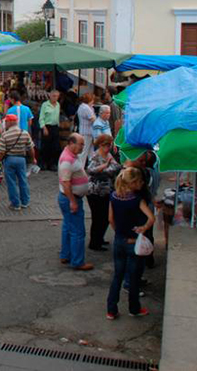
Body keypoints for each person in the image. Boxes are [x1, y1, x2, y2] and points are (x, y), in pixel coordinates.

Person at [106, 167, 155, 320]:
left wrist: (118, 232)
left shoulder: (114, 197)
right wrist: (144, 228)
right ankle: (134, 308)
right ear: (133, 183)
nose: (141, 184)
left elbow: (110, 219)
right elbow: (151, 218)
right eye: (140, 181)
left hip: (119, 241)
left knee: (117, 276)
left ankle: (111, 310)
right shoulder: (136, 200)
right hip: (134, 243)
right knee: (134, 278)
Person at [58, 134, 94, 270]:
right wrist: (72, 202)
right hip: (70, 198)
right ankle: (78, 261)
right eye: (81, 144)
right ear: (71, 143)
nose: (83, 147)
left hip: (69, 197)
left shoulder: (72, 155)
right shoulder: (67, 160)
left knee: (68, 226)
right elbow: (66, 183)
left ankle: (65, 254)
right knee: (78, 232)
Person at [86, 134, 121, 251]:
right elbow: (90, 170)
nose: (109, 147)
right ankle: (94, 243)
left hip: (106, 190)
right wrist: (105, 166)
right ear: (101, 145)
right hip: (95, 192)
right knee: (98, 217)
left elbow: (116, 167)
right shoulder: (95, 156)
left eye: (110, 145)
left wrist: (107, 169)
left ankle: (99, 238)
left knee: (105, 217)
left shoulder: (109, 155)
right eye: (107, 145)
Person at [0, 114, 34, 210]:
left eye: (6, 122)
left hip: (9, 160)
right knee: (23, 180)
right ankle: (25, 202)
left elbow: (0, 152)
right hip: (22, 159)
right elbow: (31, 148)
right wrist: (33, 159)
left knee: (12, 182)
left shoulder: (5, 135)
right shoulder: (24, 133)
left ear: (9, 122)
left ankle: (15, 204)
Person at [39, 90, 61, 170]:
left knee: (55, 146)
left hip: (55, 127)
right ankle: (43, 163)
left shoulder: (58, 104)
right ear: (50, 96)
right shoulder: (45, 105)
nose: (55, 98)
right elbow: (41, 118)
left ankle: (53, 164)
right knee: (45, 146)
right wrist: (44, 128)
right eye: (54, 96)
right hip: (47, 126)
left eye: (57, 96)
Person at [76, 93, 96, 164]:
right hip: (86, 132)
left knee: (90, 152)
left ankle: (92, 167)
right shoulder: (86, 108)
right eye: (92, 100)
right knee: (84, 152)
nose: (93, 101)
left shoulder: (83, 106)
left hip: (87, 132)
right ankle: (80, 168)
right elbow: (93, 119)